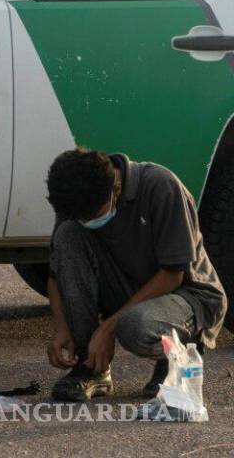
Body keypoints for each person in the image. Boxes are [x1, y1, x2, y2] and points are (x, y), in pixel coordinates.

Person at [44, 149, 227, 401]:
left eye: (92, 217)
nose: (86, 222)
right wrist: (62, 328)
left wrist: (108, 327)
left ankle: (176, 357)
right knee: (67, 234)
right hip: (128, 288)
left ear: (116, 189)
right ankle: (92, 367)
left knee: (134, 325)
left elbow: (172, 275)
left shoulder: (160, 186)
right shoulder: (75, 198)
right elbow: (56, 276)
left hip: (186, 296)